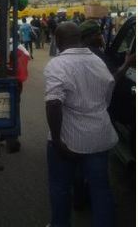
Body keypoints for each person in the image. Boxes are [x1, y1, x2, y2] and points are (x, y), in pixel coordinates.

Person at [44, 22, 118, 227]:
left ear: (58, 40)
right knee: (100, 189)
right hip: (99, 137)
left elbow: (53, 103)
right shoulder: (98, 61)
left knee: (60, 187)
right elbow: (107, 94)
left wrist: (57, 140)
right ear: (79, 38)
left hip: (68, 139)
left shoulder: (57, 65)